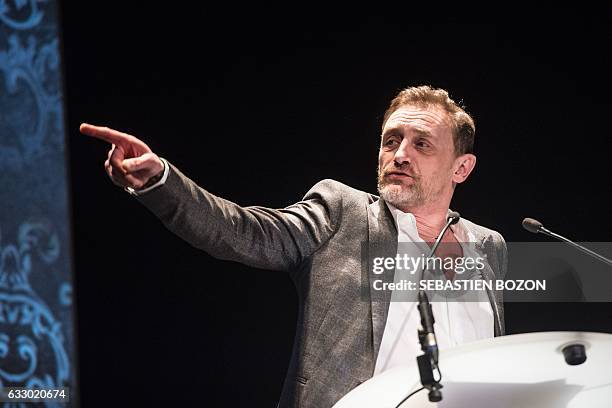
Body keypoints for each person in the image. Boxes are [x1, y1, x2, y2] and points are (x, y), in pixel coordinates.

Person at [80, 85, 507, 407]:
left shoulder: (488, 245)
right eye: (391, 140)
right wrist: (160, 181)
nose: (399, 154)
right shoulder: (343, 212)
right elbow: (242, 232)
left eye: (422, 144)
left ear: (462, 168)